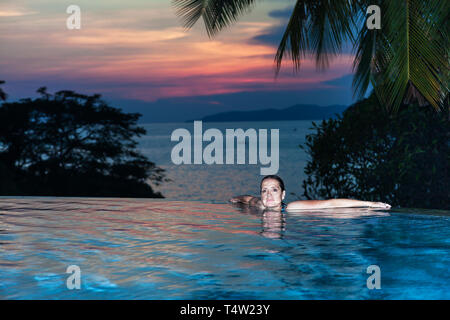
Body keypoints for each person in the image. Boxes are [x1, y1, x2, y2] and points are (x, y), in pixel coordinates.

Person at [229, 175, 391, 211]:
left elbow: (329, 203)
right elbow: (247, 198)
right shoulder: (259, 205)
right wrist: (235, 199)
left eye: (274, 190)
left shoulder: (291, 208)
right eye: (264, 191)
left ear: (283, 195)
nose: (268, 195)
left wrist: (369, 204)